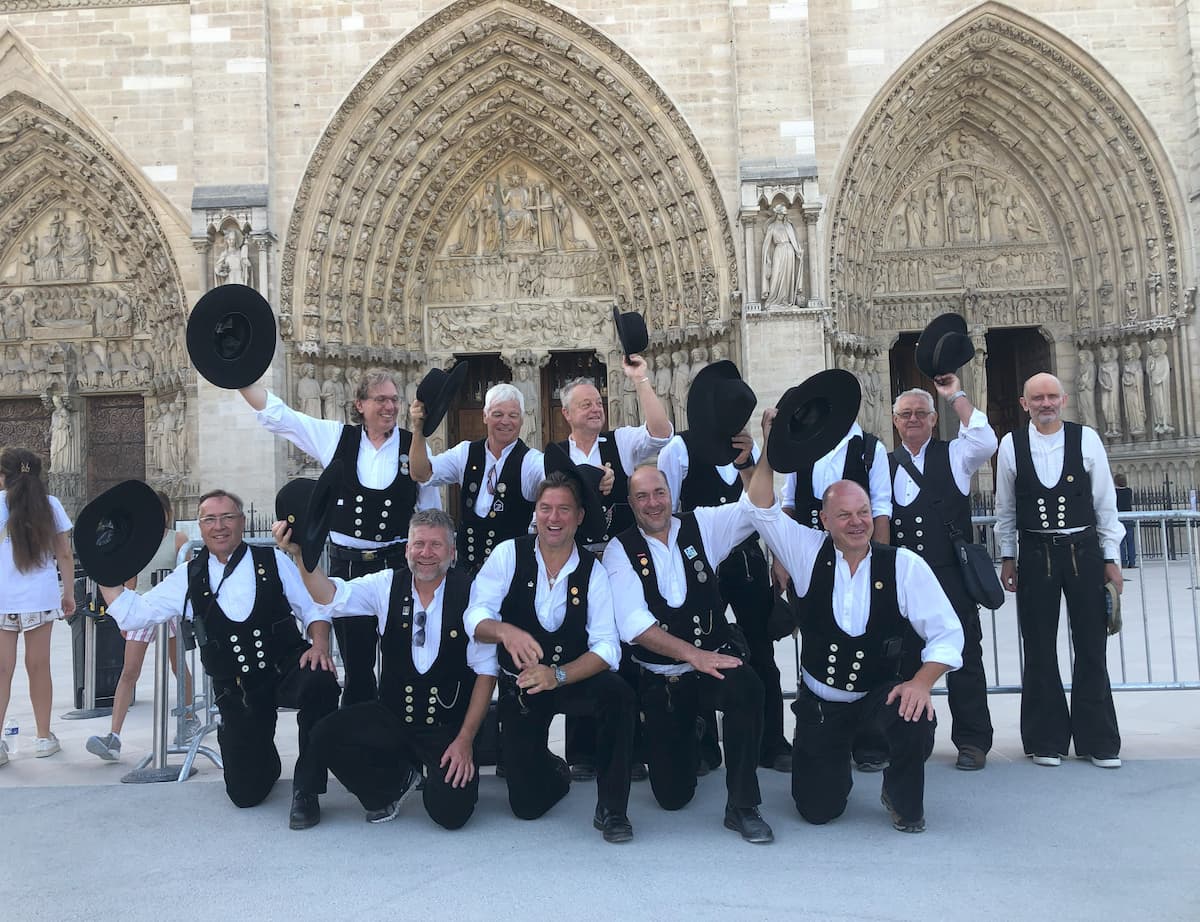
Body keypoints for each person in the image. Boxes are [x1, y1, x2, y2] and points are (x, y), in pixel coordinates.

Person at [747, 411, 964, 833]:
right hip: (822, 708)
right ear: (824, 521)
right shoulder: (807, 552)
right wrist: (770, 449)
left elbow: (947, 633)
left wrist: (921, 683)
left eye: (863, 512)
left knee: (915, 715)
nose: (857, 522)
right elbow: (761, 508)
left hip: (876, 700)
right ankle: (830, 769)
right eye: (844, 515)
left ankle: (900, 793)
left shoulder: (903, 565)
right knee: (817, 810)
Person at [98, 489, 339, 828]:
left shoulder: (273, 562)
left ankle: (307, 789)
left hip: (284, 669)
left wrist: (319, 645)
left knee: (322, 682)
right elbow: (136, 615)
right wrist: (104, 569)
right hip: (238, 689)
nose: (219, 526)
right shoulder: (188, 576)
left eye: (227, 517)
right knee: (245, 795)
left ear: (241, 522)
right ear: (200, 527)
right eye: (210, 519)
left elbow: (312, 607)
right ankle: (262, 758)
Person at [277, 509, 497, 829]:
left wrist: (464, 741)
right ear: (406, 548)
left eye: (435, 545)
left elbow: (486, 673)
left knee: (451, 814)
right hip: (393, 717)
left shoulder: (472, 592)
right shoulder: (385, 584)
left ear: (452, 552)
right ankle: (392, 786)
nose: (425, 553)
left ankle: (450, 769)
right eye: (418, 544)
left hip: (446, 728)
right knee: (324, 733)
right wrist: (300, 556)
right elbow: (329, 595)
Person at [240, 368, 440, 707]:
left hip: (397, 568)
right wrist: (237, 376)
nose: (390, 406)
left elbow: (429, 513)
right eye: (381, 399)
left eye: (394, 399)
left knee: (402, 663)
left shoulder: (415, 447)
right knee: (358, 667)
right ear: (360, 404)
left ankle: (401, 750)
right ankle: (358, 751)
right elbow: (281, 417)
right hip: (348, 566)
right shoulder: (336, 438)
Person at [603, 464, 774, 843]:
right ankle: (692, 732)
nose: (653, 503)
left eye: (659, 492)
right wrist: (693, 655)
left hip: (712, 665)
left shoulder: (701, 525)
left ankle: (743, 805)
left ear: (671, 494)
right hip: (664, 680)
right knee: (673, 797)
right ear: (631, 503)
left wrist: (756, 460)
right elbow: (635, 626)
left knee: (748, 687)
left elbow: (757, 505)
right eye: (643, 496)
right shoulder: (620, 550)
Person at [464, 471, 636, 843]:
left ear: (578, 517)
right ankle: (555, 770)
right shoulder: (509, 554)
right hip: (522, 688)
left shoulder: (594, 571)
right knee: (526, 806)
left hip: (571, 679)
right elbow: (474, 616)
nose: (553, 518)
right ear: (536, 513)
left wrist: (557, 675)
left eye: (563, 509)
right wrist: (504, 631)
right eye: (545, 509)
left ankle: (612, 809)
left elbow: (608, 647)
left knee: (618, 694)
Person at [995, 373, 1124, 769]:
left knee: (1091, 644)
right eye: (1038, 397)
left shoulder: (1086, 440)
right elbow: (1005, 508)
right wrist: (1007, 556)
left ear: (1064, 399)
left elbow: (1105, 502)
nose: (1045, 403)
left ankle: (1097, 740)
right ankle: (1045, 738)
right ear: (1024, 403)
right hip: (1035, 552)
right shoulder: (1010, 446)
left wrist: (1111, 557)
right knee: (1038, 646)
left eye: (1051, 396)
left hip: (1082, 551)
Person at [556, 356, 672, 780]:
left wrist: (640, 379)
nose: (595, 408)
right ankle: (582, 753)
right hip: (579, 564)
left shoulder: (620, 442)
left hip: (622, 560)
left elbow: (661, 432)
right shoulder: (554, 454)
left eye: (598, 401)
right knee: (579, 645)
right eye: (585, 404)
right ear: (566, 413)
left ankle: (631, 747)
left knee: (628, 650)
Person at [658, 428, 792, 774]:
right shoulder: (679, 448)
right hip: (699, 560)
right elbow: (666, 509)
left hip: (746, 560)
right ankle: (703, 746)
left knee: (761, 651)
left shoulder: (750, 447)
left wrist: (779, 555)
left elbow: (764, 503)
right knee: (699, 645)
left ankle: (771, 741)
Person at [889, 376, 998, 771]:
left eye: (921, 413)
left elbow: (986, 441)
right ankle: (914, 737)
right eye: (906, 414)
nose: (914, 419)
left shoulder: (954, 455)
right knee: (908, 659)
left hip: (948, 575)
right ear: (895, 421)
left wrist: (954, 395)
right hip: (904, 578)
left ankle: (972, 740)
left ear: (934, 420)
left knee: (964, 656)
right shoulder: (883, 464)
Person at [778, 409, 893, 772]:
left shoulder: (870, 450)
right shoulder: (803, 450)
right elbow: (790, 503)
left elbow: (881, 508)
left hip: (860, 552)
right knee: (816, 637)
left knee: (868, 638)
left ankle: (870, 741)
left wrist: (882, 563)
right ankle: (816, 728)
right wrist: (782, 557)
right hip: (812, 557)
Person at [86, 490, 195, 762]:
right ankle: (114, 736)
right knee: (129, 671)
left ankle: (190, 717)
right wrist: (127, 618)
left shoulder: (178, 540)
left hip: (169, 609)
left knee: (177, 665)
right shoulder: (137, 541)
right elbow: (131, 579)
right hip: (142, 605)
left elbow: (188, 575)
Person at [408, 382, 544, 575]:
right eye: (497, 414)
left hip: (513, 575)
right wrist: (419, 429)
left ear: (522, 420)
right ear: (485, 416)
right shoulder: (465, 453)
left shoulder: (532, 462)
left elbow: (559, 483)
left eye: (513, 415)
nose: (505, 421)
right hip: (466, 573)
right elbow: (420, 473)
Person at [0, 448, 75, 767]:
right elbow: (65, 553)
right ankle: (44, 737)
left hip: (2, 597)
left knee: (2, 670)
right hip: (41, 597)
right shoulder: (51, 504)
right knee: (38, 666)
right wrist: (69, 592)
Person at [1114, 473, 1136, 569]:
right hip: (1129, 517)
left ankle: (1123, 561)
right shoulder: (1129, 491)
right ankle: (1132, 561)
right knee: (1130, 541)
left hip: (1119, 518)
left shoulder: (1114, 492)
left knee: (1121, 542)